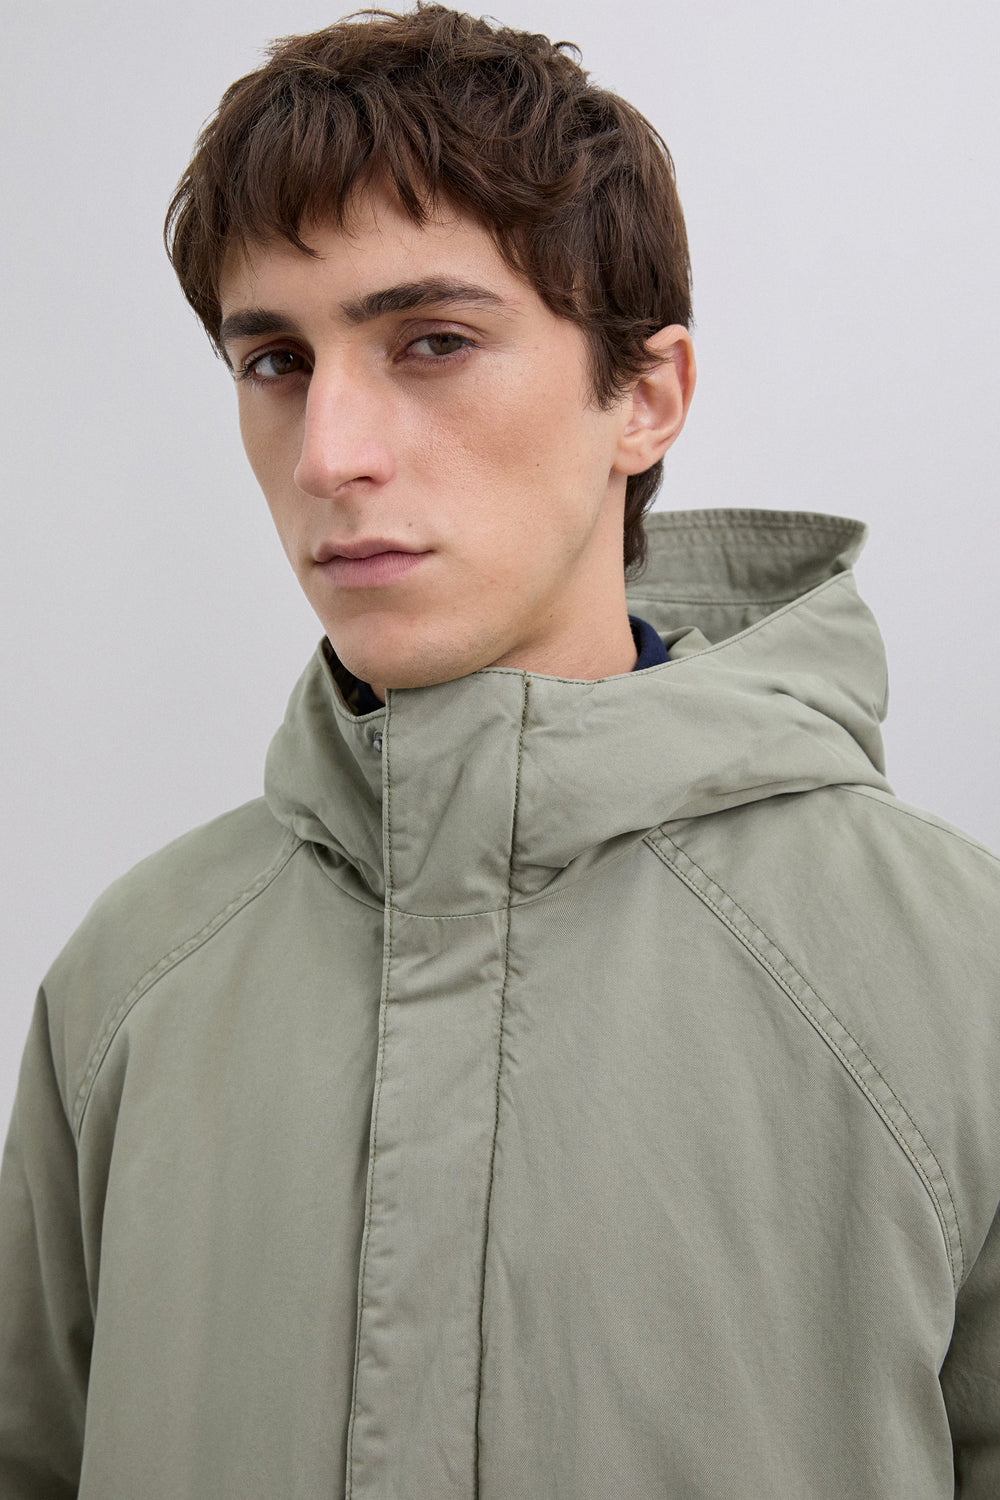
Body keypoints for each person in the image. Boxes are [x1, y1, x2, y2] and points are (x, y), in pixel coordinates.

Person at [1, 4, 998, 1495]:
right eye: (274, 360)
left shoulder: (960, 974)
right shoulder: (126, 978)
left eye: (434, 342)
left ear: (645, 397)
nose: (331, 452)